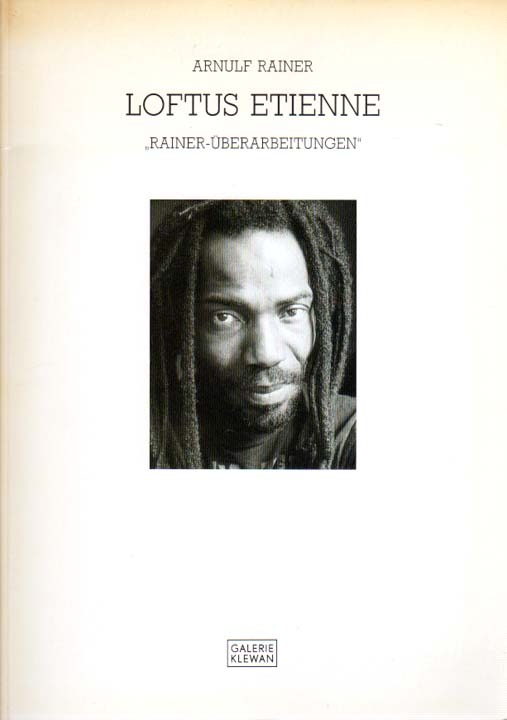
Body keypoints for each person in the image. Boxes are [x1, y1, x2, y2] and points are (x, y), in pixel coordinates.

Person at [150, 200, 356, 469]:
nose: (267, 354)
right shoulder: (152, 439)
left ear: (316, 318)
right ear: (184, 327)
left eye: (291, 311)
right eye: (225, 317)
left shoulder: (349, 435)